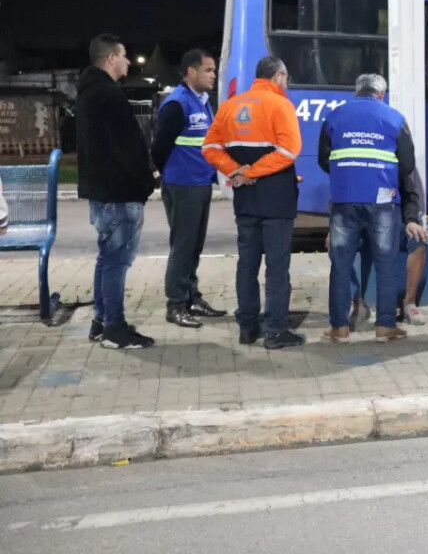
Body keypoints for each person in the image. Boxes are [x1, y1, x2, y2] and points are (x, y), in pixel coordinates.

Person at [202, 56, 304, 350]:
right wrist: (251, 171)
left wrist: (236, 170)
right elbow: (290, 150)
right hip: (277, 200)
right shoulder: (280, 105)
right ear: (279, 76)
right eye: (285, 77)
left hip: (245, 200)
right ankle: (275, 331)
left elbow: (209, 147)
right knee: (276, 267)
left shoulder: (230, 106)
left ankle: (247, 328)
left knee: (247, 264)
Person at [318, 73, 427, 343]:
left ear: (356, 92)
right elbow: (407, 165)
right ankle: (385, 327)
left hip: (344, 199)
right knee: (385, 263)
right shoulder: (394, 118)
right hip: (383, 200)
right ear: (381, 94)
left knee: (340, 263)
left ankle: (339, 328)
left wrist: (349, 175)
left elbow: (324, 160)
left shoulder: (334, 117)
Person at [76, 33, 156, 349]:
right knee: (116, 262)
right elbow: (126, 148)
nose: (127, 62)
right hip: (119, 193)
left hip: (101, 191)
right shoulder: (108, 95)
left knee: (106, 258)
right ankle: (114, 328)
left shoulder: (88, 93)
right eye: (123, 56)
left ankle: (101, 321)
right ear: (111, 58)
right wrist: (145, 181)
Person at [150, 48, 225, 329]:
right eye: (208, 70)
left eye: (214, 70)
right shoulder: (177, 103)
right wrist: (164, 175)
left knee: (194, 246)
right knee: (183, 246)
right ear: (191, 72)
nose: (213, 75)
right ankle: (176, 305)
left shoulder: (202, 101)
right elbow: (159, 147)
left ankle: (192, 298)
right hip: (182, 184)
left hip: (200, 181)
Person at [348, 167, 428, 328]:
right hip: (363, 225)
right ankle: (359, 305)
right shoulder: (353, 167)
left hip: (393, 222)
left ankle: (409, 304)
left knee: (418, 238)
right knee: (337, 244)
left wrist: (411, 220)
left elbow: (410, 196)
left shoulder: (392, 164)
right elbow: (339, 201)